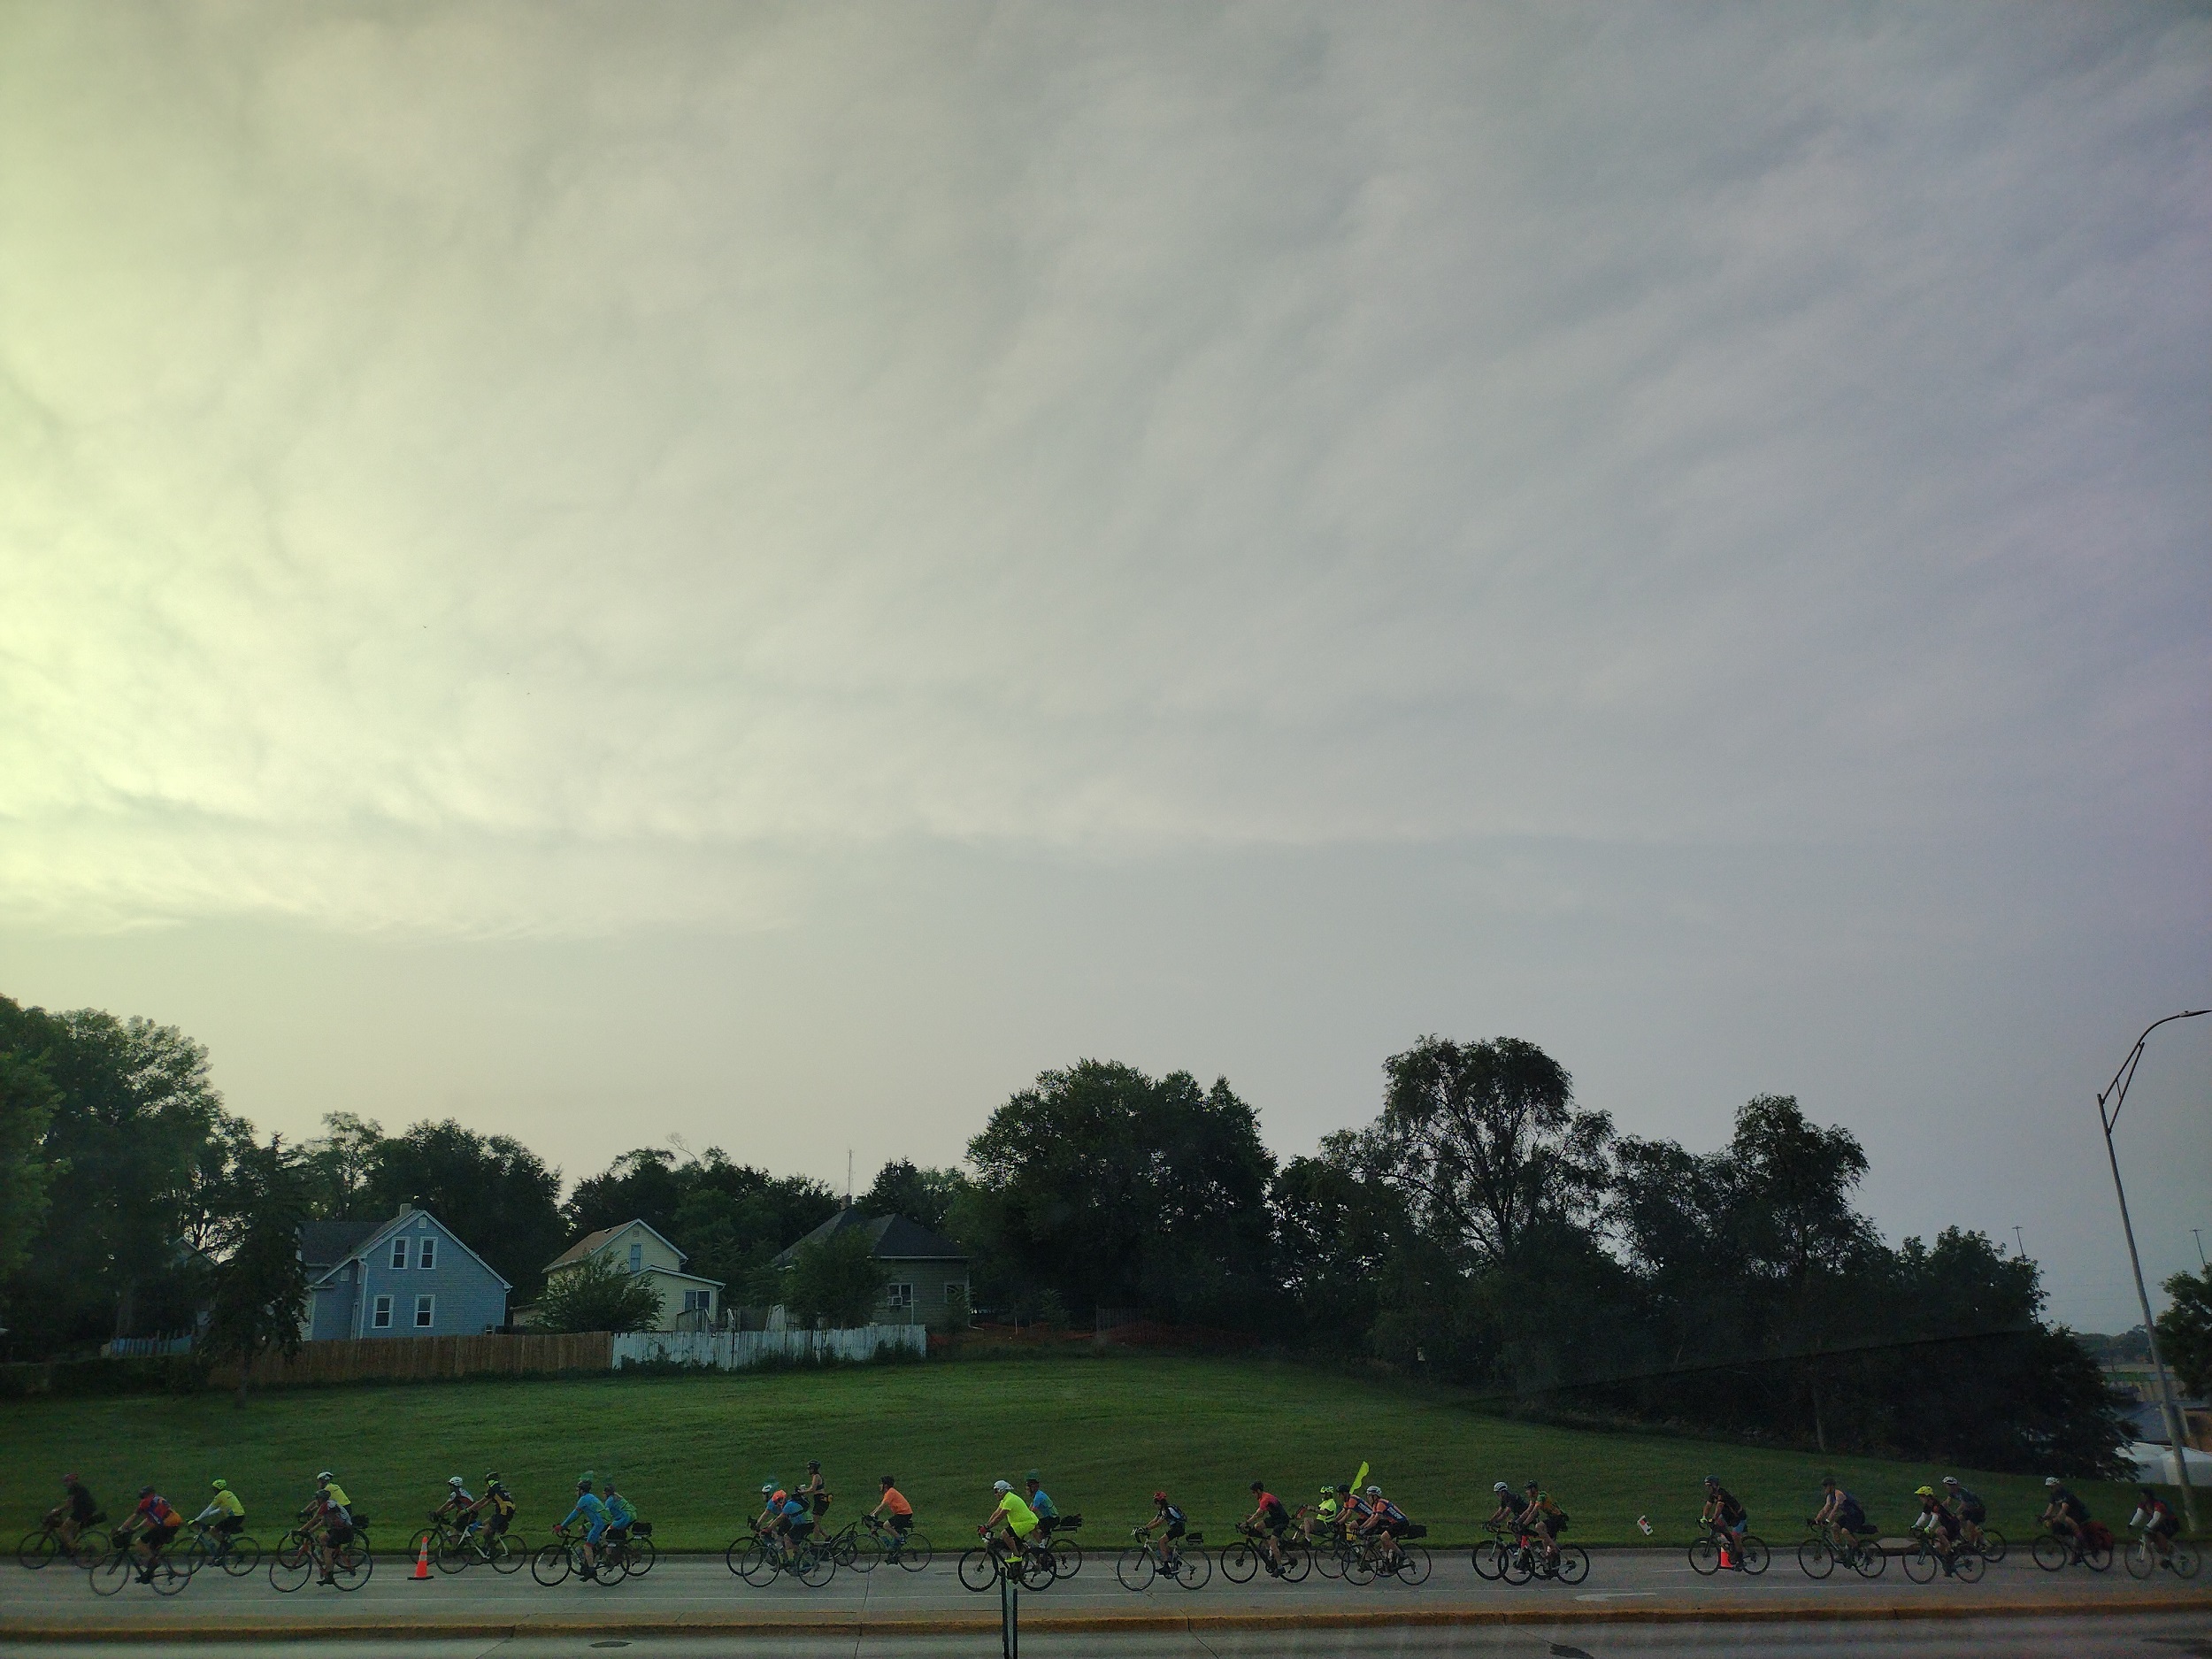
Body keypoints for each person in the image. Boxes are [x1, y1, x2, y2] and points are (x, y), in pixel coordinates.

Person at [116, 1486, 184, 1582]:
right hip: (173, 1524)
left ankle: (153, 1565)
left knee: (139, 1542)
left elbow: (134, 1516)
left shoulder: (146, 1502)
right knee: (151, 1550)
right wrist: (135, 1529)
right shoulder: (157, 1500)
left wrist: (121, 1528)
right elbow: (149, 1520)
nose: (142, 1499)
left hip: (165, 1526)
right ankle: (148, 1574)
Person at [306, 1471, 355, 1586]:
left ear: (323, 1481)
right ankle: (330, 1560)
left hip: (342, 1527)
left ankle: (330, 1575)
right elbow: (321, 1519)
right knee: (322, 1537)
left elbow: (316, 1517)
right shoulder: (330, 1490)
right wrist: (309, 1531)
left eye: (318, 1481)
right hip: (340, 1521)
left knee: (328, 1549)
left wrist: (302, 1529)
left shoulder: (328, 1491)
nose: (318, 1483)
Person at [982, 1479, 1041, 1569]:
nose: (995, 1494)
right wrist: (986, 1525)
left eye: (996, 1491)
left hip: (1026, 1522)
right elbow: (996, 1513)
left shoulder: (1010, 1500)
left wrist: (988, 1527)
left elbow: (999, 1517)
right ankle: (1021, 1565)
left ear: (1001, 1491)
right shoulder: (1005, 1499)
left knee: (1005, 1534)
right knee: (1013, 1542)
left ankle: (1017, 1557)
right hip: (1020, 1523)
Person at [559, 1475, 610, 1581]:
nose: (575, 1492)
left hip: (599, 1524)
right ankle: (589, 1562)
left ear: (582, 1491)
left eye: (577, 1490)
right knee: (586, 1537)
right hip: (601, 1521)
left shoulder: (583, 1500)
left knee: (587, 1546)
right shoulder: (590, 1497)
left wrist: (562, 1526)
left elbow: (574, 1515)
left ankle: (591, 1570)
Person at [1357, 1483, 1409, 1571]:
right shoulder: (1375, 1505)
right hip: (1395, 1523)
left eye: (1369, 1496)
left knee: (1384, 1537)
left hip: (1401, 1523)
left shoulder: (1381, 1503)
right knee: (1383, 1541)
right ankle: (1387, 1562)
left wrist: (1365, 1529)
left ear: (1375, 1496)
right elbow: (1371, 1518)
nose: (1368, 1498)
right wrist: (1362, 1527)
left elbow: (1376, 1519)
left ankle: (1401, 1555)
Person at [190, 1479, 247, 1562]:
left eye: (214, 1489)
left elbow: (209, 1509)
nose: (214, 1491)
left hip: (234, 1517)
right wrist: (209, 1514)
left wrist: (196, 1519)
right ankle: (218, 1557)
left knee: (213, 1530)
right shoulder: (228, 1493)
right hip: (239, 1516)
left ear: (218, 1488)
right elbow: (220, 1509)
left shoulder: (220, 1495)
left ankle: (226, 1546)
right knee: (221, 1535)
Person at [1243, 1481, 1291, 1574]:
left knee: (1273, 1541)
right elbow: (1261, 1514)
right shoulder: (1261, 1498)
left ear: (1258, 1491)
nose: (1253, 1495)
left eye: (1253, 1492)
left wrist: (1246, 1523)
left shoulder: (1266, 1498)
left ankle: (1280, 1567)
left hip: (1282, 1520)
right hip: (1275, 1518)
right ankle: (1269, 1550)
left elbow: (1257, 1514)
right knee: (1258, 1526)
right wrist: (1251, 1516)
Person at [1911, 1486, 1963, 1572]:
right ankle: (1949, 1564)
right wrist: (1915, 1526)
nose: (1920, 1498)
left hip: (1953, 1525)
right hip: (1947, 1526)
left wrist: (1928, 1528)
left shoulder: (1936, 1505)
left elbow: (1935, 1517)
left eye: (1922, 1496)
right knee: (1939, 1548)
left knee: (1938, 1531)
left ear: (1928, 1497)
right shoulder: (1927, 1505)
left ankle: (1950, 1549)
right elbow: (1923, 1517)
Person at [2039, 1478, 2092, 1563]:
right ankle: (2076, 1553)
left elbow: (2064, 1509)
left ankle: (2083, 1544)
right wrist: (2044, 1517)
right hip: (2069, 1514)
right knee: (2061, 1528)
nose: (2051, 1489)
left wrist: (2056, 1518)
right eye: (2049, 1487)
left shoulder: (2065, 1494)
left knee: (2072, 1524)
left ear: (2057, 1485)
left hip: (2079, 1513)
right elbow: (2049, 1510)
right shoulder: (2053, 1495)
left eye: (2052, 1487)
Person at [1700, 1477, 1748, 1567]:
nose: (1708, 1489)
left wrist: (1713, 1518)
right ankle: (1730, 1542)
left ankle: (1741, 1560)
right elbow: (1708, 1505)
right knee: (1717, 1525)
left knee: (1735, 1535)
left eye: (1709, 1486)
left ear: (1714, 1485)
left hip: (1738, 1517)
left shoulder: (1722, 1494)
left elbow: (1719, 1508)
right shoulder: (1713, 1494)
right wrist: (1704, 1517)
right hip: (1727, 1516)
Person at [1812, 1475, 1867, 1555]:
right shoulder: (1830, 1497)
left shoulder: (1839, 1494)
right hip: (1848, 1515)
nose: (1824, 1489)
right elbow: (1825, 1509)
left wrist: (1827, 1521)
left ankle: (1860, 1551)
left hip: (1857, 1515)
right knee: (1834, 1528)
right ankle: (1841, 1552)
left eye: (1825, 1486)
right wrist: (1816, 1519)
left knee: (1845, 1531)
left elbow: (1835, 1510)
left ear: (1831, 1486)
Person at [47, 1475, 97, 1555]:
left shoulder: (72, 1489)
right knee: (72, 1527)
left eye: (66, 1482)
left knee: (63, 1529)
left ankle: (75, 1547)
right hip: (87, 1510)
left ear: (71, 1481)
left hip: (82, 1511)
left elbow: (68, 1505)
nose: (66, 1484)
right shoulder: (79, 1487)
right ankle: (68, 1547)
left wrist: (56, 1511)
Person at [2131, 1486, 2180, 1567]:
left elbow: (2157, 1518)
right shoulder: (2143, 1505)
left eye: (2143, 1496)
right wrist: (2131, 1524)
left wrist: (2148, 1526)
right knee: (2151, 1537)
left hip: (2171, 1523)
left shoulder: (2158, 1504)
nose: (2141, 1498)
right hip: (2160, 1524)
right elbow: (2138, 1515)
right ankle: (2165, 1549)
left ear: (2148, 1496)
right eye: (2140, 1496)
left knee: (2160, 1534)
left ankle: (2167, 1557)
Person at [1140, 1490, 1187, 1571]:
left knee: (1161, 1541)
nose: (1155, 1505)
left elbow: (1158, 1523)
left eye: (1156, 1503)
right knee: (1162, 1543)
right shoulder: (1162, 1510)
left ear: (1159, 1502)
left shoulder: (1167, 1510)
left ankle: (1166, 1566)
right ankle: (1174, 1558)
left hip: (1178, 1528)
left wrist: (1147, 1529)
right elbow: (1154, 1520)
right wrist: (1144, 1528)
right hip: (1175, 1528)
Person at [1521, 1482, 1564, 1571]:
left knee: (1539, 1526)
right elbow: (1528, 1511)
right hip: (1552, 1518)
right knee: (1544, 1540)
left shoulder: (1541, 1496)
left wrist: (1524, 1524)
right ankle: (1550, 1562)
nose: (1526, 1492)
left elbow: (1533, 1512)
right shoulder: (1534, 1498)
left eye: (1528, 1490)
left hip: (1557, 1518)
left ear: (1533, 1490)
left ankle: (1554, 1549)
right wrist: (1518, 1521)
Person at [870, 1476, 915, 1559]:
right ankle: (894, 1552)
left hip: (904, 1514)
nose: (879, 1485)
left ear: (885, 1485)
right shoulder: (888, 1493)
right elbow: (880, 1506)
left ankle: (901, 1540)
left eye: (881, 1483)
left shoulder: (891, 1492)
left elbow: (882, 1507)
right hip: (901, 1513)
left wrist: (873, 1515)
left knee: (886, 1525)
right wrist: (871, 1514)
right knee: (890, 1528)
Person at [1939, 1476, 1986, 1550]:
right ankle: (1965, 1539)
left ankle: (1976, 1544)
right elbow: (1947, 1502)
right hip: (1969, 1510)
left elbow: (1963, 1504)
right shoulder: (1952, 1492)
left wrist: (1955, 1512)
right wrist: (1939, 1508)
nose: (1946, 1487)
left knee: (1970, 1525)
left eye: (1947, 1485)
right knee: (1957, 1521)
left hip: (1977, 1509)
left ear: (1952, 1486)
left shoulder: (1963, 1492)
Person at [471, 1473, 516, 1539]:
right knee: (484, 1523)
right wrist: (476, 1509)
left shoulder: (492, 1489)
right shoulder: (499, 1487)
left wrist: (467, 1510)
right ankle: (490, 1545)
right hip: (508, 1510)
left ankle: (489, 1547)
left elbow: (481, 1501)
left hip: (504, 1512)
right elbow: (487, 1502)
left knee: (486, 1529)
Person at [1024, 1471, 1062, 1541]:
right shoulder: (1037, 1495)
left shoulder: (1038, 1497)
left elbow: (1032, 1512)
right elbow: (1029, 1510)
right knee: (1036, 1531)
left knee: (1031, 1527)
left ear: (1032, 1488)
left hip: (1052, 1519)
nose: (1026, 1491)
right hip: (1050, 1518)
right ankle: (1041, 1545)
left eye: (1027, 1489)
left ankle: (1041, 1546)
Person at [603, 1480, 638, 1556]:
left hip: (624, 1518)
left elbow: (605, 1514)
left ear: (607, 1493)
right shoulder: (618, 1496)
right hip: (632, 1515)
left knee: (607, 1534)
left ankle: (610, 1556)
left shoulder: (609, 1500)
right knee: (619, 1535)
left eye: (604, 1493)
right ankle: (623, 1550)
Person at [799, 1461, 832, 1526]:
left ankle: (817, 1537)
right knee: (815, 1522)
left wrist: (801, 1492)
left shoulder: (816, 1476)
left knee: (815, 1523)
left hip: (820, 1499)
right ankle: (826, 1536)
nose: (808, 1470)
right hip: (819, 1499)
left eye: (809, 1469)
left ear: (813, 1469)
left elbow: (812, 1489)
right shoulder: (816, 1476)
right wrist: (803, 1490)